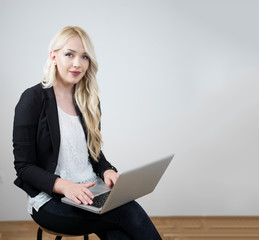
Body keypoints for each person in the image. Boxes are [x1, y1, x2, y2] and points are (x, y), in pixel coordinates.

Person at [13, 26, 162, 240]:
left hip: (91, 191)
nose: (77, 63)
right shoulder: (32, 99)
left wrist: (108, 171)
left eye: (84, 57)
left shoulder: (88, 100)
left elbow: (93, 153)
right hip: (51, 201)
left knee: (120, 233)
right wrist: (65, 187)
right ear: (53, 56)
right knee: (128, 211)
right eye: (69, 55)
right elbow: (24, 167)